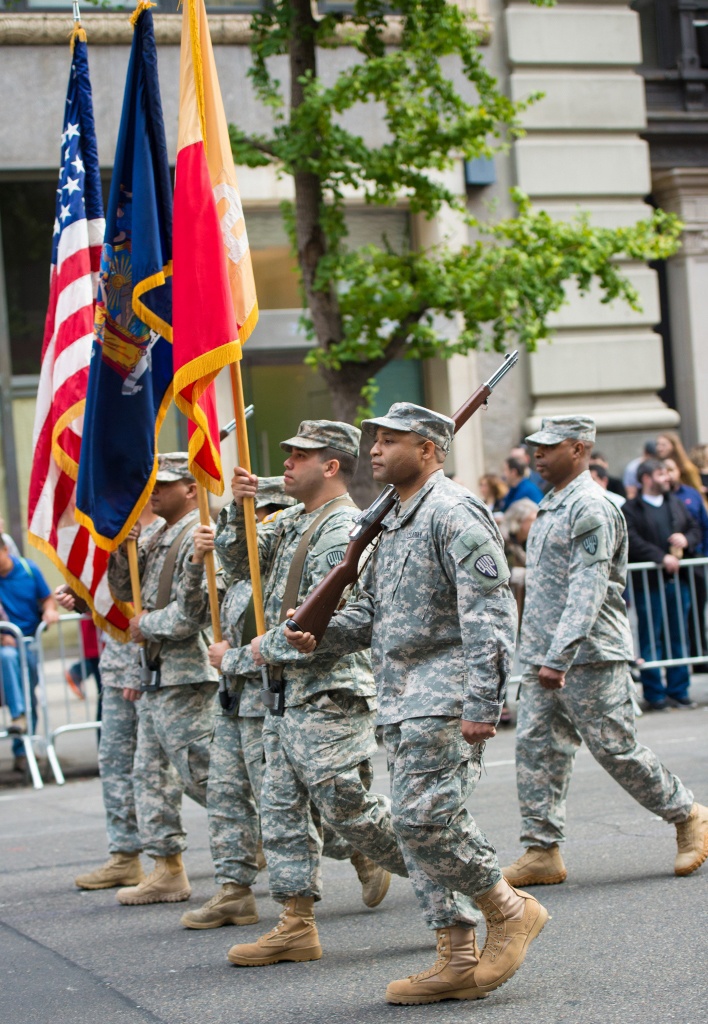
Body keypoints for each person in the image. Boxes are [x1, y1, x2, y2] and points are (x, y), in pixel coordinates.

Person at [278, 404, 548, 1003]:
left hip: (446, 693)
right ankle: (454, 955)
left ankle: (509, 907)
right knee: (417, 822)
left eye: (390, 439)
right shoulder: (394, 521)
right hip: (399, 698)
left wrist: (485, 701)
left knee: (422, 820)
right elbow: (375, 612)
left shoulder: (453, 514)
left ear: (429, 449)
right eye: (374, 438)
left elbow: (491, 617)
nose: (373, 448)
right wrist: (321, 631)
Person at [215, 421, 406, 969]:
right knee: (282, 811)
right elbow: (234, 564)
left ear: (330, 466)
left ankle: (456, 873)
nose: (287, 464)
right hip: (285, 692)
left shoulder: (346, 528)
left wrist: (249, 653)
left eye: (300, 455)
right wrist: (239, 506)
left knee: (352, 812)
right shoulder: (296, 520)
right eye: (288, 453)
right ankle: (296, 923)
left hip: (328, 693)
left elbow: (325, 625)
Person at [501, 416, 707, 890]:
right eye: (534, 445)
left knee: (616, 749)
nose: (537, 454)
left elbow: (587, 591)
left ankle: (688, 814)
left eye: (548, 447)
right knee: (537, 750)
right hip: (543, 654)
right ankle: (541, 848)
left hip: (588, 654)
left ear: (578, 450)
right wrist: (538, 655)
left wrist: (560, 655)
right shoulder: (552, 503)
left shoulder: (590, 507)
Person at [176, 478, 296, 929]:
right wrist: (196, 560)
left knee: (281, 803)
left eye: (266, 514)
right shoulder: (241, 574)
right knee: (225, 794)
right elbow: (195, 608)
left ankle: (359, 851)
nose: (257, 523)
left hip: (270, 699)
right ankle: (234, 890)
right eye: (251, 514)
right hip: (232, 700)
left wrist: (234, 657)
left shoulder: (286, 571)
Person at [107, 453, 219, 905]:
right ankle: (167, 867)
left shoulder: (202, 534)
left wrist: (145, 626)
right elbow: (123, 591)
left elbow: (191, 616)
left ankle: (344, 845)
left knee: (206, 776)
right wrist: (121, 547)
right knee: (148, 773)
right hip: (157, 673)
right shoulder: (153, 533)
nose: (153, 492)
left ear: (191, 489)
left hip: (187, 673)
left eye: (165, 483)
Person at [65, 507, 180, 891]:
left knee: (190, 768)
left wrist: (136, 667)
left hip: (151, 668)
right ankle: (125, 854)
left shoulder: (164, 534)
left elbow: (152, 607)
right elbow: (113, 596)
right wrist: (82, 598)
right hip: (117, 667)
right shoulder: (115, 534)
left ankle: (252, 834)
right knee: (116, 761)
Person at [623, 458, 701, 710]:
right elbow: (631, 540)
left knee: (679, 635)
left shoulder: (675, 503)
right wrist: (660, 557)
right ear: (646, 478)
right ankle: (655, 692)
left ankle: (679, 689)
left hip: (678, 581)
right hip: (649, 583)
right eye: (660, 473)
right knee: (651, 636)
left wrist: (686, 539)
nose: (666, 477)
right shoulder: (631, 508)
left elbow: (695, 528)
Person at [0, 537, 59, 772]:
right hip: (5, 646)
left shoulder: (28, 569)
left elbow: (46, 598)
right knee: (8, 658)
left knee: (29, 693)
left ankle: (25, 747)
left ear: (5, 549)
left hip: (30, 642)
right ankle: (18, 724)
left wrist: (50, 611)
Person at [655, 432, 705, 498]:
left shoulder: (687, 468)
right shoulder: (656, 465)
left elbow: (698, 491)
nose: (659, 448)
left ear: (673, 446)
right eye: (658, 444)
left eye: (663, 445)